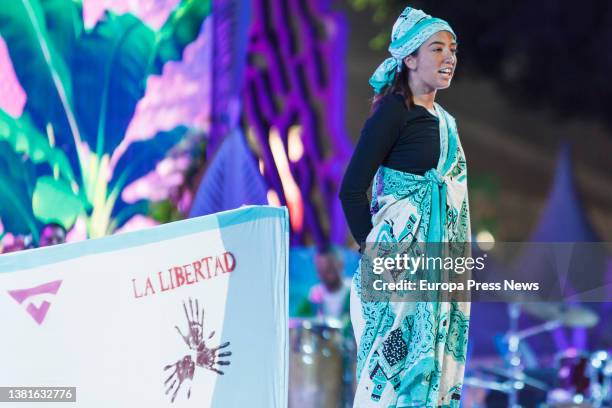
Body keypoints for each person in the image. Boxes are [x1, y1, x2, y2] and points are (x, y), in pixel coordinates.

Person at [339, 7, 471, 407]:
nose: (449, 58)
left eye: (453, 50)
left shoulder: (445, 121)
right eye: (437, 49)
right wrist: (376, 253)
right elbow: (351, 190)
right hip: (397, 271)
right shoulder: (394, 111)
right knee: (391, 384)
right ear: (409, 58)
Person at [296, 248, 351, 324]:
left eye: (329, 269)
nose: (324, 275)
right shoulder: (315, 294)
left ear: (340, 265)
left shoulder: (354, 290)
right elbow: (298, 321)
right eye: (320, 271)